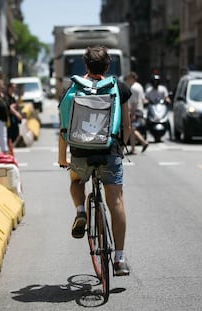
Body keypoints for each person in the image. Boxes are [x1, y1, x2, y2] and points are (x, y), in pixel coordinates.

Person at [58, 46, 132, 276]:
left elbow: (64, 128)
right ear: (108, 66)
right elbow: (127, 126)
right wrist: (119, 147)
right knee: (116, 202)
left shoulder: (73, 88)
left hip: (80, 152)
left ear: (85, 66)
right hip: (109, 151)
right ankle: (119, 259)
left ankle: (81, 211)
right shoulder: (118, 88)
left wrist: (62, 158)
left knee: (76, 180)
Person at [125, 72, 149, 155]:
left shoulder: (134, 88)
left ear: (132, 78)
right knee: (132, 129)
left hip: (135, 110)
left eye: (128, 78)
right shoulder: (139, 86)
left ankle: (143, 142)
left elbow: (134, 102)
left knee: (132, 129)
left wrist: (132, 113)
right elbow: (143, 99)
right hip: (140, 109)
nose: (127, 80)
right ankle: (133, 148)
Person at [5, 82, 23, 155]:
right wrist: (17, 114)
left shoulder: (13, 97)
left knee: (15, 133)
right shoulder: (6, 97)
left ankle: (10, 149)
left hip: (14, 119)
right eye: (13, 88)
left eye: (15, 88)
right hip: (9, 119)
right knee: (10, 134)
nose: (14, 89)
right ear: (9, 88)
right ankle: (9, 150)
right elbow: (9, 108)